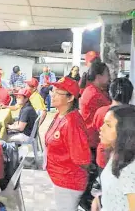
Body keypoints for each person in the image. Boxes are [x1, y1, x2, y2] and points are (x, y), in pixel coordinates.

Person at [45, 77, 91, 211]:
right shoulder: (60, 115)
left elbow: (83, 159)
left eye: (58, 92)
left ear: (70, 98)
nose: (53, 94)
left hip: (69, 182)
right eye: (53, 90)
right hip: (60, 178)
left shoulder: (72, 123)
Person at [91, 105, 135, 211]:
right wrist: (99, 199)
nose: (101, 128)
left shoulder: (130, 169)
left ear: (124, 132)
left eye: (108, 125)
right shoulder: (117, 153)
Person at [92, 77, 133, 169]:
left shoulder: (101, 111)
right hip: (127, 159)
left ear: (110, 93)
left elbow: (95, 133)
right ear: (130, 94)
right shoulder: (132, 113)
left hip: (103, 156)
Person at [80, 61, 111, 156]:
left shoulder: (94, 90)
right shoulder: (95, 95)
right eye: (107, 75)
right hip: (93, 141)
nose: (109, 78)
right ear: (98, 77)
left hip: (92, 139)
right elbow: (112, 112)